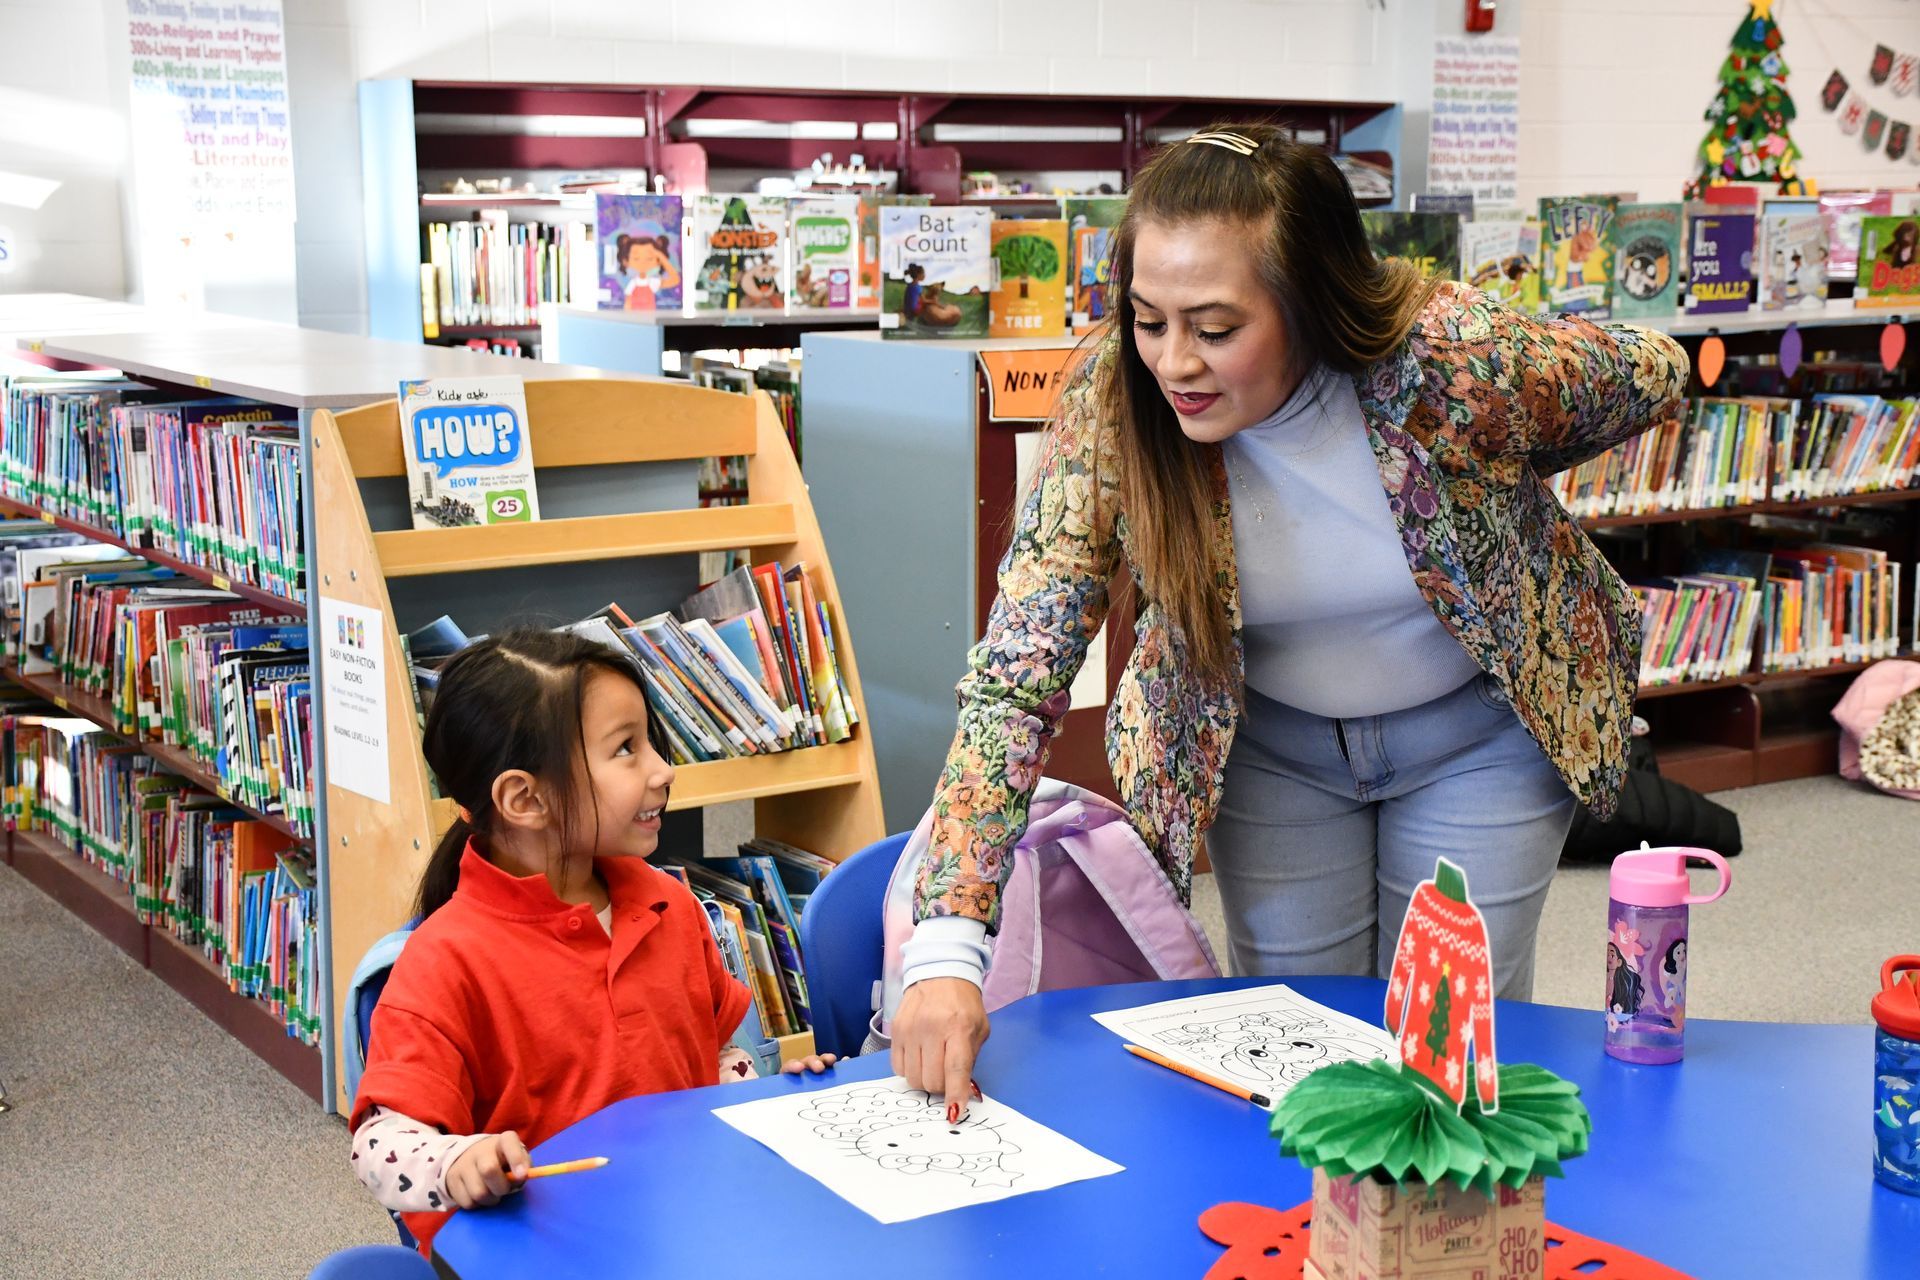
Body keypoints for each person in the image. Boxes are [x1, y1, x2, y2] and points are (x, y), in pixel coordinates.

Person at [891, 123, 1689, 1112]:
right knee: (1293, 1059)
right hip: (1274, 748)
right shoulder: (1117, 405)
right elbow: (1017, 672)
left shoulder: (1448, 360)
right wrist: (945, 945)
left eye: (1216, 327)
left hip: (1478, 737)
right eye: (1148, 318)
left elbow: (1652, 367)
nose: (1173, 361)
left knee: (1442, 1058)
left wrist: (1503, 471)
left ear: (1308, 302)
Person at [348, 629, 834, 1253]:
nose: (663, 769)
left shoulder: (672, 905)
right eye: (626, 749)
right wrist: (455, 1161)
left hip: (687, 1230)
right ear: (525, 799)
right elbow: (378, 1143)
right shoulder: (444, 961)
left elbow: (711, 1058)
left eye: (649, 742)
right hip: (549, 1253)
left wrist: (766, 1100)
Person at [616, 233, 680, 311]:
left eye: (649, 258)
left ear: (658, 261)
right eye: (636, 258)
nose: (643, 263)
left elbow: (675, 280)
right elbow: (628, 300)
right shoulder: (633, 282)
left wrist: (661, 257)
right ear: (626, 261)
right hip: (634, 315)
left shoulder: (652, 282)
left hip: (650, 315)